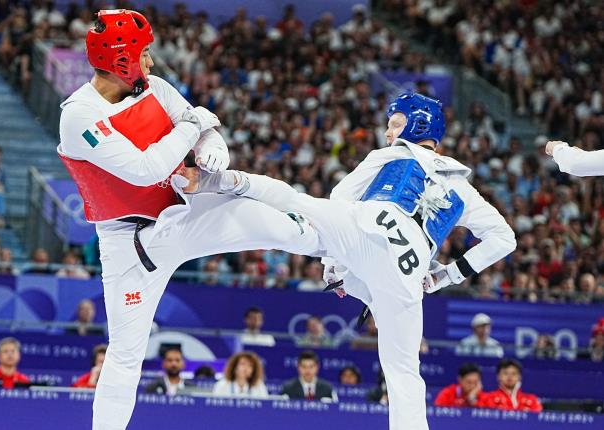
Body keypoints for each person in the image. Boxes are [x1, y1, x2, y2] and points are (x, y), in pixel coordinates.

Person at [56, 10, 321, 430]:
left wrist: (213, 142)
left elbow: (199, 129)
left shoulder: (155, 87)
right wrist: (196, 124)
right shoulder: (78, 116)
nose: (152, 63)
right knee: (125, 354)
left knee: (273, 223)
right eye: (145, 54)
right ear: (120, 58)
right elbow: (147, 167)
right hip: (131, 246)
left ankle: (345, 257)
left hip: (186, 212)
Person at [186, 92, 515, 430]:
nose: (389, 132)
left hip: (369, 229)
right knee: (404, 374)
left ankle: (219, 180)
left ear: (417, 126)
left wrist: (334, 262)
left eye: (396, 124)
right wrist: (446, 276)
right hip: (406, 272)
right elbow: (505, 239)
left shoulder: (390, 154)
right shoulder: (464, 187)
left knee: (299, 206)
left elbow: (341, 196)